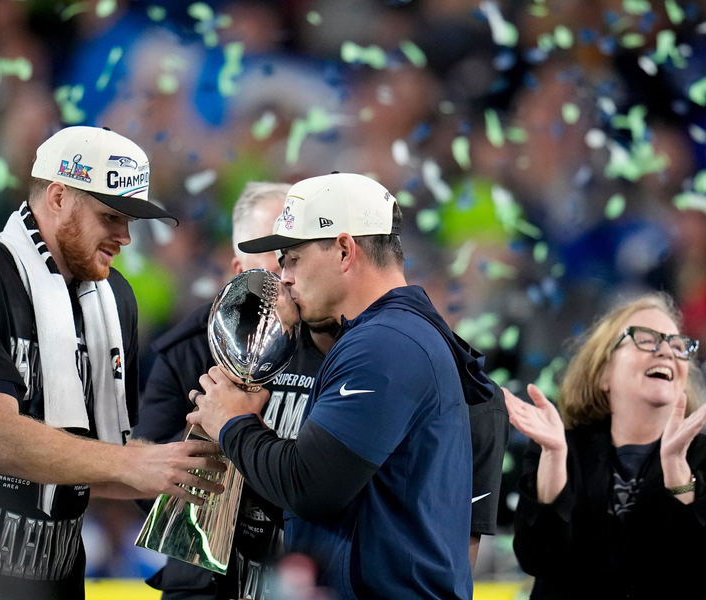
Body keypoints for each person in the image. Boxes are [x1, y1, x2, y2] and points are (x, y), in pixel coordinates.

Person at [0, 125, 226, 600]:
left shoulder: (115, 300)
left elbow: (97, 465)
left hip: (53, 584)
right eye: (110, 217)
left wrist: (191, 475)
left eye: (131, 221)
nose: (125, 238)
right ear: (58, 197)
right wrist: (132, 463)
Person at [188, 172, 499, 600]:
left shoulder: (384, 343)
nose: (284, 276)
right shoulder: (397, 334)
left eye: (292, 257)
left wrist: (233, 421)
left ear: (344, 250)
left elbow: (309, 486)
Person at [135, 181, 336, 600]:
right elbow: (140, 483)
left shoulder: (338, 342)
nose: (287, 273)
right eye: (275, 256)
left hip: (308, 574)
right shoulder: (189, 348)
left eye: (295, 253)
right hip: (205, 581)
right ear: (240, 271)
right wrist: (216, 432)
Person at [505, 293, 706, 599]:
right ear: (603, 373)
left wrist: (679, 473)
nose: (666, 351)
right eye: (646, 339)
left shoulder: (702, 456)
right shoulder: (561, 447)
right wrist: (556, 458)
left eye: (678, 345)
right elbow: (539, 558)